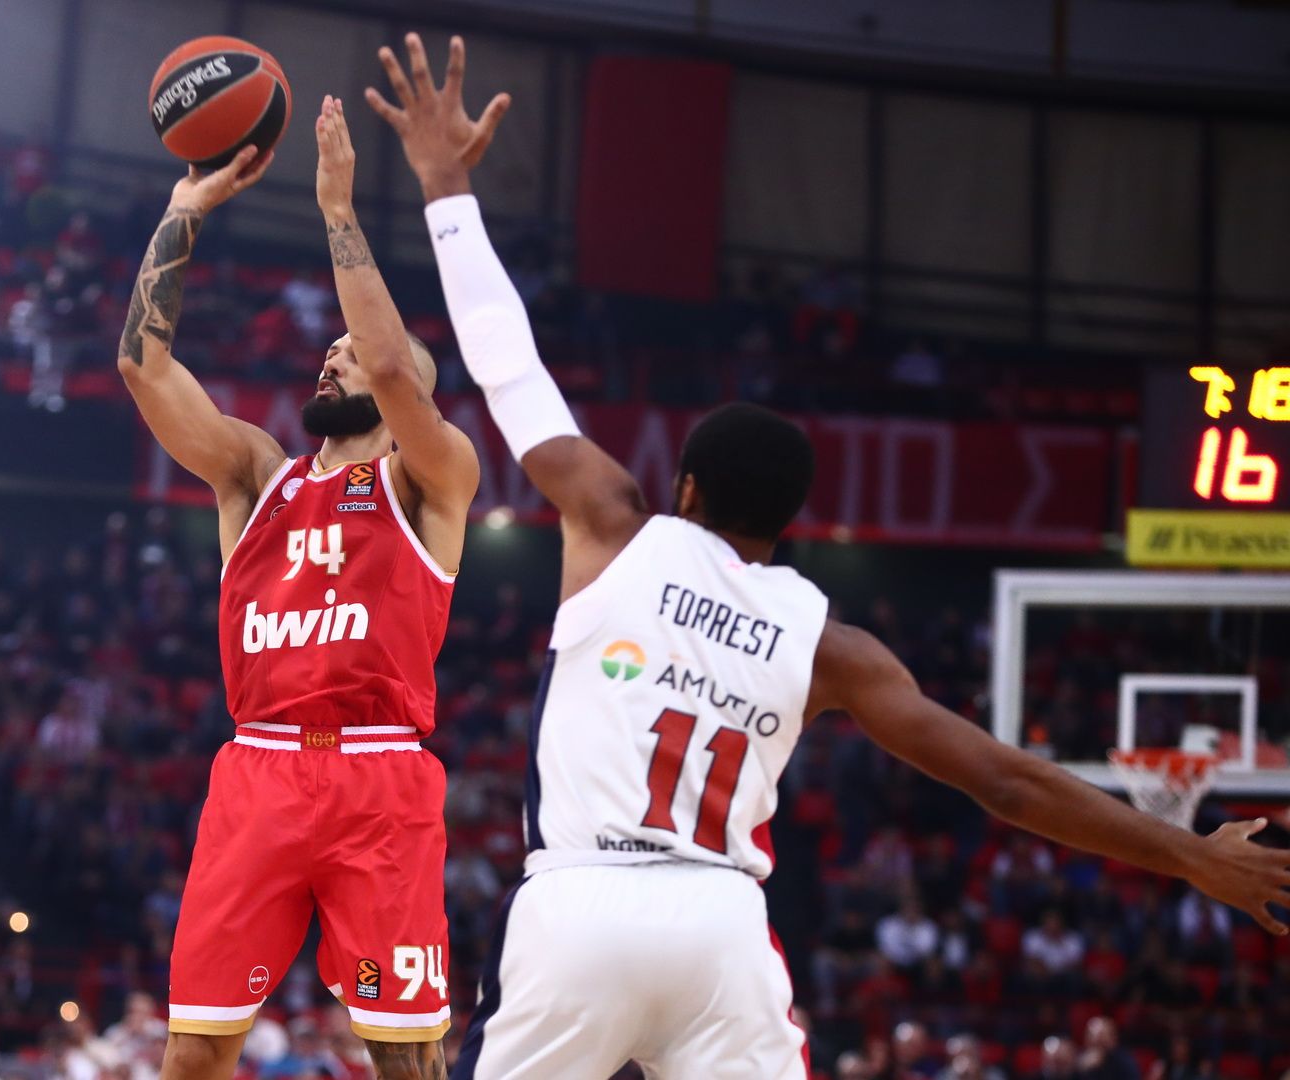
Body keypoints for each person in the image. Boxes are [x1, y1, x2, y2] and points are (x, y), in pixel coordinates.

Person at [370, 30, 1290, 1080]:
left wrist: (445, 185)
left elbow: (509, 365)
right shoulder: (829, 647)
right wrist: (1189, 854)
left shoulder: (615, 524)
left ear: (686, 489)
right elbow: (1006, 783)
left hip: (580, 902)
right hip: (720, 926)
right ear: (788, 522)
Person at [117, 95, 480, 1080]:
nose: (334, 353)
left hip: (379, 777)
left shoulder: (431, 478)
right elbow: (143, 368)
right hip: (260, 771)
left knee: (406, 1058)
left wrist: (338, 212)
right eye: (331, 349)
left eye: (349, 353)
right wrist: (183, 212)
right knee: (195, 1050)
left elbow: (394, 363)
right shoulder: (255, 475)